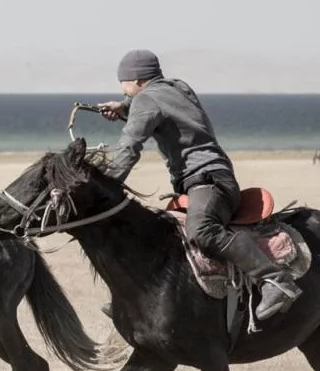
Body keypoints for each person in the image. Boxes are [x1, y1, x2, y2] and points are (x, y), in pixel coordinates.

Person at [96, 49, 300, 323]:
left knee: (202, 231)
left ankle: (276, 282)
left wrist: (107, 185)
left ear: (137, 80)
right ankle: (137, 300)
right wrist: (125, 106)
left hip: (207, 182)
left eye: (124, 85)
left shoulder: (145, 99)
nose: (124, 90)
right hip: (215, 178)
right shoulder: (179, 87)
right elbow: (158, 105)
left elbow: (128, 149)